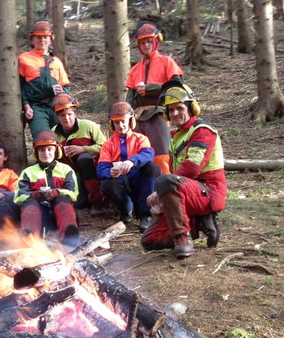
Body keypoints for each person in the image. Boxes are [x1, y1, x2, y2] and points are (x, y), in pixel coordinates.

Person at [141, 83, 226, 259]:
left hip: (208, 192)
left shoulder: (202, 131)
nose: (175, 114)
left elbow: (192, 169)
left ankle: (182, 237)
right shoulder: (175, 136)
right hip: (186, 191)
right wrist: (163, 200)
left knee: (165, 182)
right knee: (150, 240)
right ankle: (198, 223)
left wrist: (160, 192)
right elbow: (175, 175)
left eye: (179, 108)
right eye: (170, 110)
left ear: (191, 108)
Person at [125, 21, 184, 175]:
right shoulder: (135, 69)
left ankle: (166, 190)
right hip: (138, 117)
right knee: (136, 156)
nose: (146, 45)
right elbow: (129, 98)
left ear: (157, 41)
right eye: (143, 42)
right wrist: (125, 116)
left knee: (162, 156)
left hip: (158, 114)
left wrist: (150, 88)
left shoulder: (167, 62)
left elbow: (177, 86)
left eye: (149, 41)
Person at [96, 102, 158, 233]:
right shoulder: (108, 144)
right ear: (112, 124)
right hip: (120, 181)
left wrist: (132, 162)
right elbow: (101, 169)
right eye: (117, 122)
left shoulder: (141, 138)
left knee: (152, 168)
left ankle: (146, 215)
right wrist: (109, 172)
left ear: (131, 120)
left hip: (139, 179)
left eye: (123, 121)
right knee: (106, 184)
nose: (121, 125)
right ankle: (126, 209)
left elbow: (148, 154)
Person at [14, 131, 80, 245]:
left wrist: (57, 192)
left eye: (50, 149)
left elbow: (74, 194)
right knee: (30, 203)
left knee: (63, 199)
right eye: (42, 150)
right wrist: (34, 195)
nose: (46, 153)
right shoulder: (28, 172)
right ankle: (30, 238)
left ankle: (70, 237)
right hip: (38, 216)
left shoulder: (66, 170)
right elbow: (18, 197)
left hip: (61, 215)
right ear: (36, 153)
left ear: (56, 151)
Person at [51, 93, 108, 215]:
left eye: (69, 114)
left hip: (94, 170)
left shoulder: (88, 126)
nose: (67, 118)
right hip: (72, 173)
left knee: (84, 159)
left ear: (75, 114)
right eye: (62, 115)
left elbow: (105, 147)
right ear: (58, 117)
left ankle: (97, 203)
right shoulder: (53, 133)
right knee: (79, 204)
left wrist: (83, 149)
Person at [19, 21, 70, 139]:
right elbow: (19, 86)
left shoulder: (56, 61)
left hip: (56, 106)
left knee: (62, 138)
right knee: (42, 138)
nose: (42, 40)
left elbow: (66, 86)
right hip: (36, 106)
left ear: (50, 39)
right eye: (38, 37)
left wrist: (61, 92)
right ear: (32, 39)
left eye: (45, 37)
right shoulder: (23, 59)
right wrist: (26, 106)